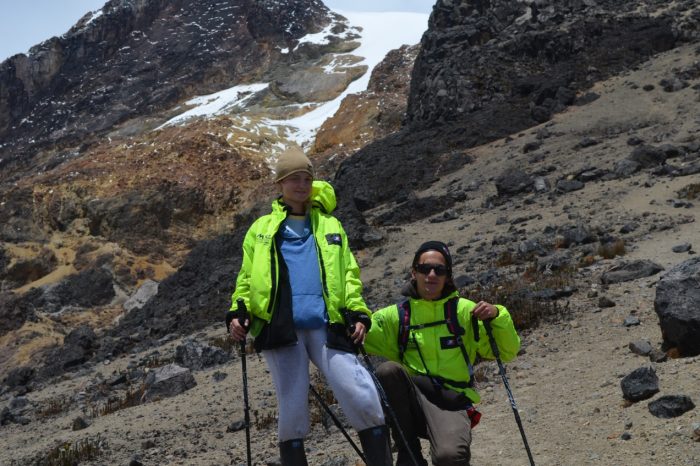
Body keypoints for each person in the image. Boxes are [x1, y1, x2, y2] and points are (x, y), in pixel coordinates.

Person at [226, 144, 391, 466]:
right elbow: (247, 278)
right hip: (280, 327)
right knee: (292, 404)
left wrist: (358, 313)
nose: (301, 185)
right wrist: (238, 311)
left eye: (306, 178)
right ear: (280, 184)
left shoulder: (330, 226)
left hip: (327, 323)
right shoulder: (260, 230)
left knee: (359, 391)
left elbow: (349, 275)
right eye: (293, 179)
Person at [364, 241, 521, 466]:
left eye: (439, 270)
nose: (431, 275)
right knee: (388, 371)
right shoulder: (395, 317)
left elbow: (507, 352)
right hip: (412, 402)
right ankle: (409, 453)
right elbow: (363, 334)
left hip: (451, 401)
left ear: (448, 276)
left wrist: (498, 315)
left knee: (449, 457)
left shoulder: (465, 311)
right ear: (413, 272)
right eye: (424, 268)